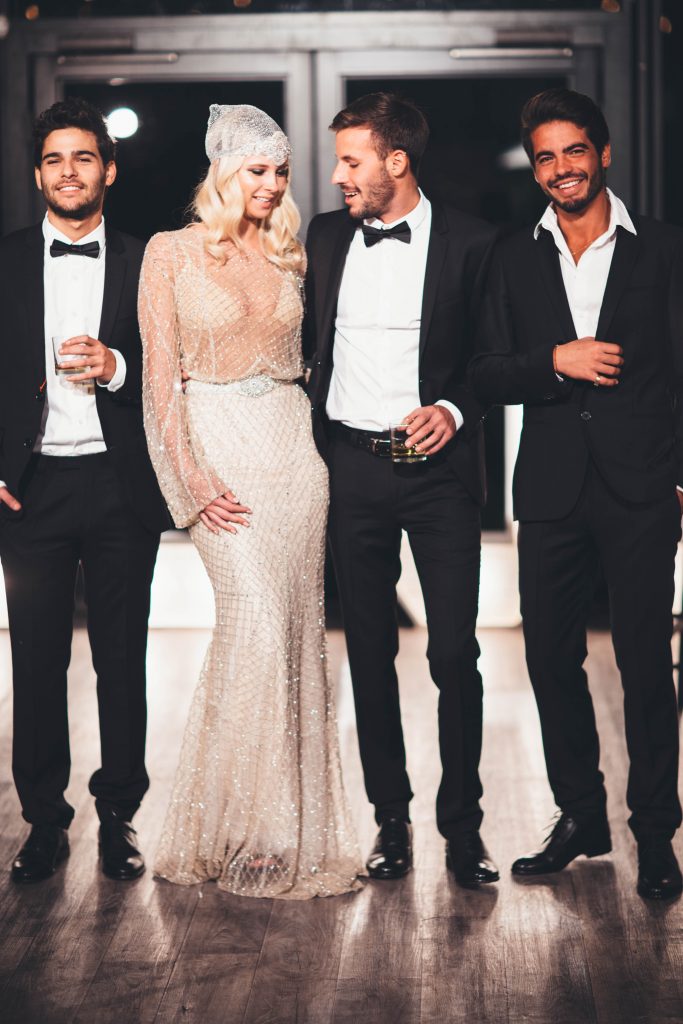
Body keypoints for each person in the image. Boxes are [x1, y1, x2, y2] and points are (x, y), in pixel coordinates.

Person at [139, 104, 362, 899]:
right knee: (255, 625)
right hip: (217, 455)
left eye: (280, 171)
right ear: (223, 172)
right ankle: (235, 826)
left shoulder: (292, 254)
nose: (271, 184)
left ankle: (279, 832)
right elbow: (159, 382)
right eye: (255, 170)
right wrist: (190, 481)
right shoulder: (169, 252)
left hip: (294, 460)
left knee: (295, 636)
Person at [469, 88, 683, 900]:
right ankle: (580, 817)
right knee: (550, 658)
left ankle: (655, 834)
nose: (561, 167)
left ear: (602, 153)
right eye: (545, 157)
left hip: (641, 486)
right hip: (551, 488)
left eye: (573, 151)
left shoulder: (662, 249)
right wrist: (552, 361)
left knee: (643, 663)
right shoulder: (510, 255)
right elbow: (485, 372)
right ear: (535, 169)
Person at [303, 92, 498, 889]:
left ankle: (463, 828)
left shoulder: (473, 242)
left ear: (397, 160)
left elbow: (492, 359)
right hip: (351, 469)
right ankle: (391, 819)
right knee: (369, 651)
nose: (338, 176)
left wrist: (453, 409)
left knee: (453, 653)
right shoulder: (323, 237)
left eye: (351, 161)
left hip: (439, 477)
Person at [0, 98, 171, 883]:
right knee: (36, 663)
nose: (68, 171)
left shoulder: (147, 262)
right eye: (53, 159)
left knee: (121, 659)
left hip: (117, 483)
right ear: (38, 175)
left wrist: (117, 367)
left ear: (109, 169)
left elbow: (176, 371)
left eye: (83, 157)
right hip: (29, 489)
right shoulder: (5, 260)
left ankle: (118, 814)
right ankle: (43, 820)